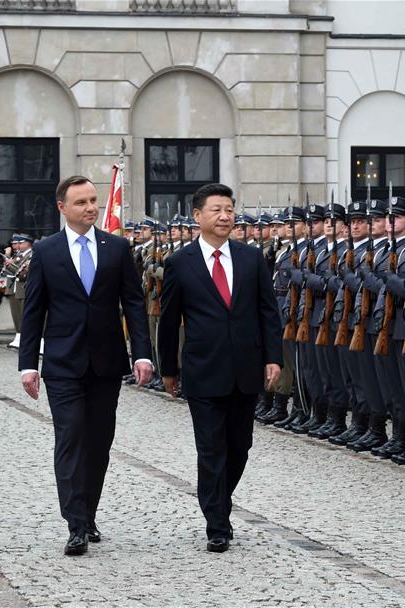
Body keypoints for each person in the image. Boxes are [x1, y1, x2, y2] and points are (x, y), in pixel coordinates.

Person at [18, 175, 152, 556]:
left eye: (94, 200)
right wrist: (28, 364)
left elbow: (134, 304)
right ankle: (75, 523)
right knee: (71, 438)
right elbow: (33, 311)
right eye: (81, 202)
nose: (91, 207)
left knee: (98, 443)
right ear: (62, 207)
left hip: (107, 363)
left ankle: (88, 512)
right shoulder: (46, 250)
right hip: (62, 364)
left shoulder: (116, 248)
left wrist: (142, 353)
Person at [158, 182, 283, 553]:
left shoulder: (250, 259)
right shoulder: (179, 263)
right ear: (198, 216)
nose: (225, 216)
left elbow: (267, 312)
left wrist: (273, 357)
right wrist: (169, 369)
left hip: (246, 368)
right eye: (216, 210)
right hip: (203, 370)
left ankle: (218, 500)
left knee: (239, 447)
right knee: (211, 448)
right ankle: (217, 523)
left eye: (229, 209)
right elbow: (168, 320)